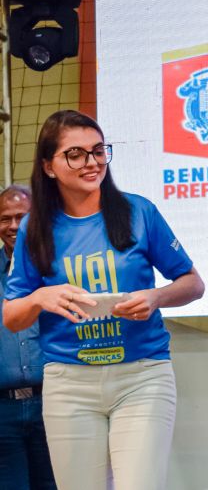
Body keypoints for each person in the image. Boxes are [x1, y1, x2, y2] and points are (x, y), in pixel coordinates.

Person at [2, 110, 205, 490]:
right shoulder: (35, 227)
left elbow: (193, 283)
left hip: (142, 376)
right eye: (75, 154)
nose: (92, 162)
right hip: (68, 382)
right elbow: (12, 316)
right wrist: (40, 297)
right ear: (48, 166)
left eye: (98, 150)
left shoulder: (138, 211)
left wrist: (156, 296)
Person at [0, 185, 57, 490]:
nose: (13, 226)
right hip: (3, 412)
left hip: (52, 403)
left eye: (21, 217)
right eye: (5, 218)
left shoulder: (58, 270)